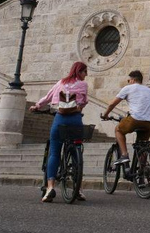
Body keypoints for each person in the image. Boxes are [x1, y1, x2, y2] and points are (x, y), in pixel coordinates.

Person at [30, 61, 89, 202]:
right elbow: (84, 102)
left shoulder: (61, 82)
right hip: (75, 120)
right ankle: (78, 189)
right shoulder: (83, 85)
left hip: (60, 119)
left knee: (55, 153)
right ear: (79, 72)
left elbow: (48, 97)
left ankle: (50, 188)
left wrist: (37, 106)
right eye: (85, 72)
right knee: (77, 152)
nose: (86, 75)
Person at [101, 70, 150, 167]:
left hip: (135, 119)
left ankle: (124, 155)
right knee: (142, 145)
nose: (128, 82)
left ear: (133, 80)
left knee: (118, 130)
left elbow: (112, 104)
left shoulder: (128, 88)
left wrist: (105, 115)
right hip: (149, 122)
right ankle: (142, 171)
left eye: (128, 80)